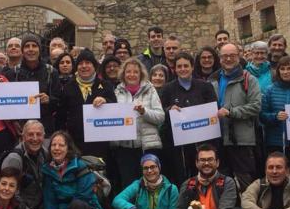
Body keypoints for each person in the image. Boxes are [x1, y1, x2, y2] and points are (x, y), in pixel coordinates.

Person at [160, 51, 219, 184]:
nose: (183, 69)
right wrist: (169, 110)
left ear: (192, 67)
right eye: (179, 66)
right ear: (174, 69)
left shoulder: (205, 86)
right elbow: (160, 112)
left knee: (204, 175)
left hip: (203, 141)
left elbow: (213, 110)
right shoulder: (167, 89)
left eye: (186, 66)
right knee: (182, 176)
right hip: (178, 145)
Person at [213, 42, 262, 188]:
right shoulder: (214, 79)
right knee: (223, 183)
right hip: (220, 139)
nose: (228, 59)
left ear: (239, 56)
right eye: (225, 56)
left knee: (246, 182)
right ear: (220, 58)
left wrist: (231, 112)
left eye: (232, 56)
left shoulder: (249, 79)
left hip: (241, 140)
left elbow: (256, 106)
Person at [112, 57, 165, 189]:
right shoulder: (117, 92)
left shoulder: (150, 90)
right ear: (123, 74)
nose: (132, 75)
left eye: (135, 72)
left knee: (150, 185)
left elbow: (160, 117)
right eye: (128, 72)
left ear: (141, 74)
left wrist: (144, 112)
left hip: (147, 146)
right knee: (128, 185)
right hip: (125, 148)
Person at [54, 49, 116, 159]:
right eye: (80, 63)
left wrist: (106, 101)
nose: (84, 66)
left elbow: (116, 109)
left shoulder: (106, 86)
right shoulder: (68, 87)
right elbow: (61, 116)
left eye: (88, 63)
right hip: (75, 143)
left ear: (94, 66)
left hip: (100, 143)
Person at [260, 56, 290, 184]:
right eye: (282, 69)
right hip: (275, 141)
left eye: (289, 68)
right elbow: (262, 115)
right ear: (278, 72)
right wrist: (275, 116)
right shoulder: (270, 90)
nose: (286, 72)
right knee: (276, 174)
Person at [4, 34, 56, 133]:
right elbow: (7, 103)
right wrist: (14, 121)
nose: (31, 49)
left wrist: (49, 99)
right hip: (21, 129)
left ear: (39, 50)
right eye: (27, 46)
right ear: (22, 51)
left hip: (45, 129)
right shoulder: (13, 73)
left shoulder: (52, 72)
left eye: (34, 46)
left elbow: (60, 100)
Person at [0, 120, 50, 209]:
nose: (35, 138)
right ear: (23, 137)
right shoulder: (14, 159)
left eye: (38, 134)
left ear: (43, 136)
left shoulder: (45, 153)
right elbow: (9, 197)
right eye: (30, 134)